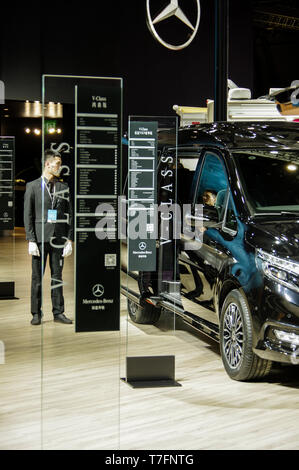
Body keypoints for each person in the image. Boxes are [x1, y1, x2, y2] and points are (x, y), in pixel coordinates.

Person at [24, 149, 73, 325]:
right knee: (37, 278)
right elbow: (28, 215)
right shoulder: (33, 186)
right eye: (57, 164)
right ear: (47, 164)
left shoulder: (63, 187)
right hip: (39, 239)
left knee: (57, 277)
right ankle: (36, 313)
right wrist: (30, 239)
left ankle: (58, 312)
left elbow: (69, 214)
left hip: (58, 239)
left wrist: (69, 238)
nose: (60, 167)